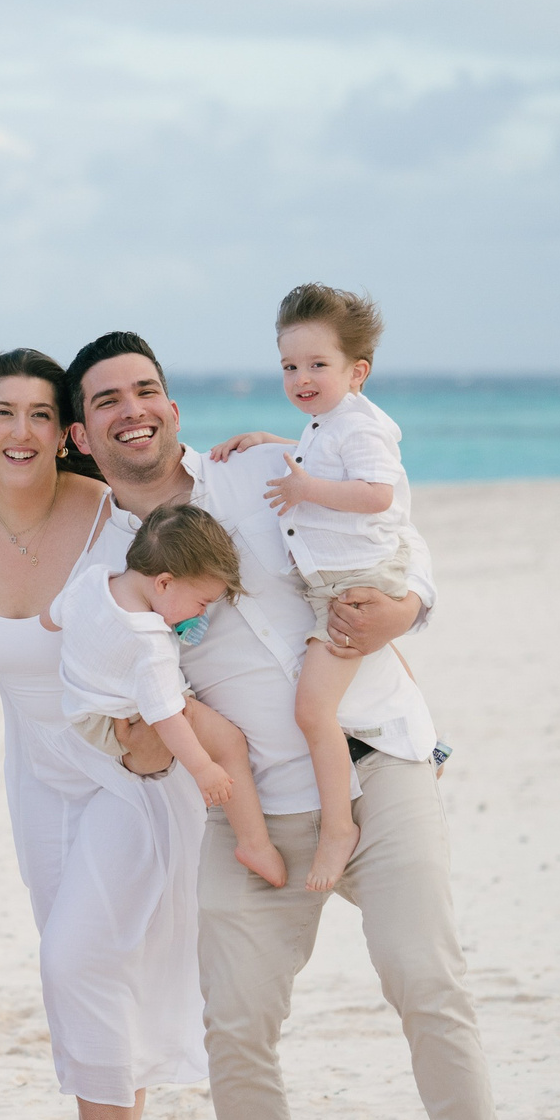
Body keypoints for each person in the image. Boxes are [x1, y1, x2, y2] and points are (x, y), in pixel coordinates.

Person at [63, 331, 519, 1120]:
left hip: (377, 762)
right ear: (80, 435)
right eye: (107, 401)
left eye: (146, 390)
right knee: (235, 1026)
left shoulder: (266, 472)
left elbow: (399, 539)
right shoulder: (101, 577)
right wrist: (155, 728)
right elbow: (115, 733)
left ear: (173, 408)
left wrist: (409, 607)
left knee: (427, 983)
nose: (132, 410)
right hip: (256, 815)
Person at [0, 351, 203, 1120]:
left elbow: (187, 616)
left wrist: (163, 735)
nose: (22, 432)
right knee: (96, 967)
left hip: (128, 765)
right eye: (5, 413)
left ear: (66, 432)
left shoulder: (111, 518)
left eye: (41, 415)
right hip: (36, 772)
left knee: (76, 955)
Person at [216, 284, 415, 892]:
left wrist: (307, 491)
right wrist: (271, 442)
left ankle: (338, 827)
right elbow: (324, 459)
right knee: (374, 679)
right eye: (289, 366)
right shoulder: (329, 423)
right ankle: (431, 750)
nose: (301, 378)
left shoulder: (361, 428)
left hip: (352, 588)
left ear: (357, 371)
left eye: (317, 365)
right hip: (338, 583)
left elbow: (377, 494)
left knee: (312, 710)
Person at [45, 503, 286, 887]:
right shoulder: (149, 642)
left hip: (85, 710)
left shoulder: (94, 579)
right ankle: (254, 844)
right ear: (163, 583)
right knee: (229, 744)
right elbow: (166, 715)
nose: (201, 614)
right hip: (123, 717)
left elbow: (52, 618)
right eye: (201, 603)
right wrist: (203, 769)